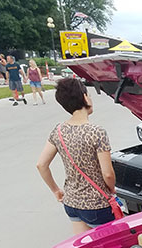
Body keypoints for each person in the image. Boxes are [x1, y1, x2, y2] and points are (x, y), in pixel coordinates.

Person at [36, 78, 117, 234]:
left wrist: (55, 190)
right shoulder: (96, 132)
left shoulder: (58, 131)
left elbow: (41, 164)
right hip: (97, 205)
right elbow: (107, 173)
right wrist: (112, 189)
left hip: (72, 203)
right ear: (85, 97)